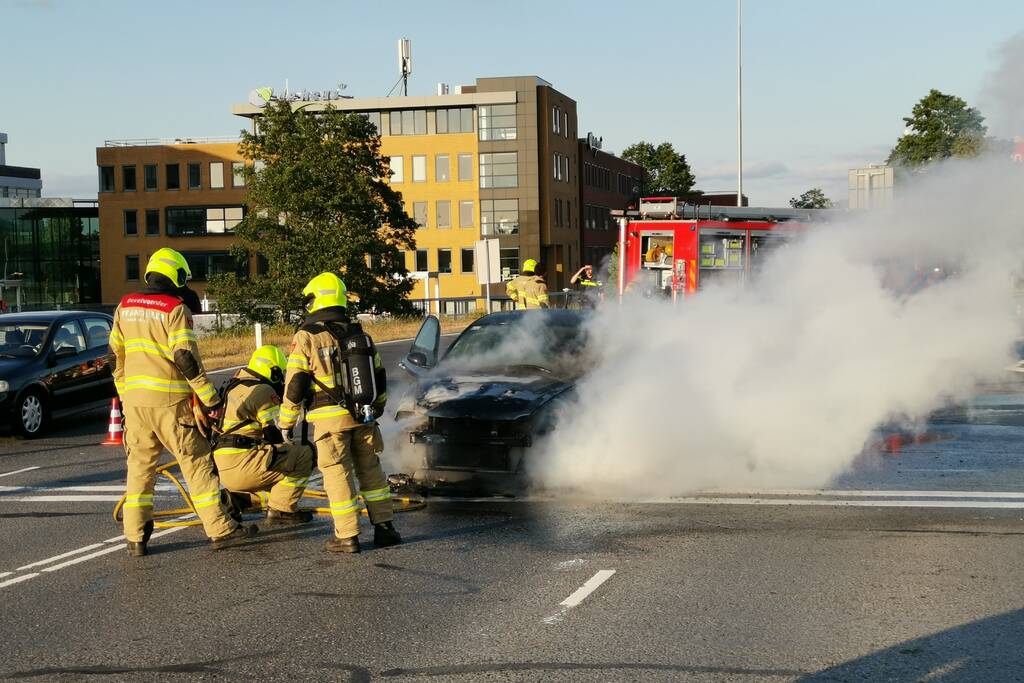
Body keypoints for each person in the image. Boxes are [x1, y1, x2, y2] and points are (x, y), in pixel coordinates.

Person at [110, 247, 256, 556]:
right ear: (176, 275)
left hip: (135, 404)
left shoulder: (124, 306)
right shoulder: (174, 309)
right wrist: (210, 399)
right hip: (171, 403)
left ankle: (135, 537)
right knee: (196, 464)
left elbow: (115, 357)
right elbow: (184, 357)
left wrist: (125, 395)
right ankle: (220, 529)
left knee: (139, 469)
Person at [278, 272, 400, 553]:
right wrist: (376, 408)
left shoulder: (307, 337)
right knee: (371, 471)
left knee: (337, 473)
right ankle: (385, 528)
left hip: (328, 420)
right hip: (363, 415)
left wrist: (286, 422)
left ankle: (347, 536)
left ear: (317, 299)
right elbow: (379, 376)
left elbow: (296, 383)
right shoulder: (360, 335)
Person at [213, 345, 314, 526]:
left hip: (223, 466)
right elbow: (275, 434)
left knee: (278, 470)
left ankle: (237, 500)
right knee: (304, 454)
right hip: (244, 465)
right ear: (274, 372)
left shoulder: (232, 385)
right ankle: (281, 509)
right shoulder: (263, 390)